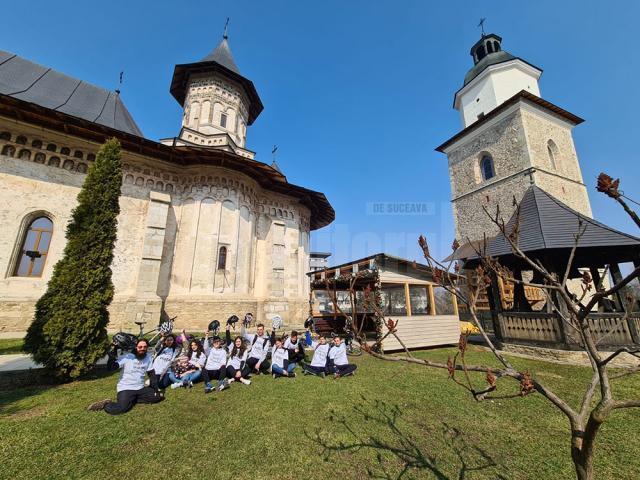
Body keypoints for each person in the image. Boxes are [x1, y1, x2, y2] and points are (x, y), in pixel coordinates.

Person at [88, 338, 164, 414]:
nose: (142, 349)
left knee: (159, 396)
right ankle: (106, 404)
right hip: (126, 388)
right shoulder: (127, 357)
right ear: (136, 347)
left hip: (140, 387)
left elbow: (151, 374)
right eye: (140, 347)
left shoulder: (148, 357)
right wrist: (112, 355)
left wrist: (156, 389)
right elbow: (111, 367)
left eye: (145, 347)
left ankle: (133, 399)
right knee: (121, 408)